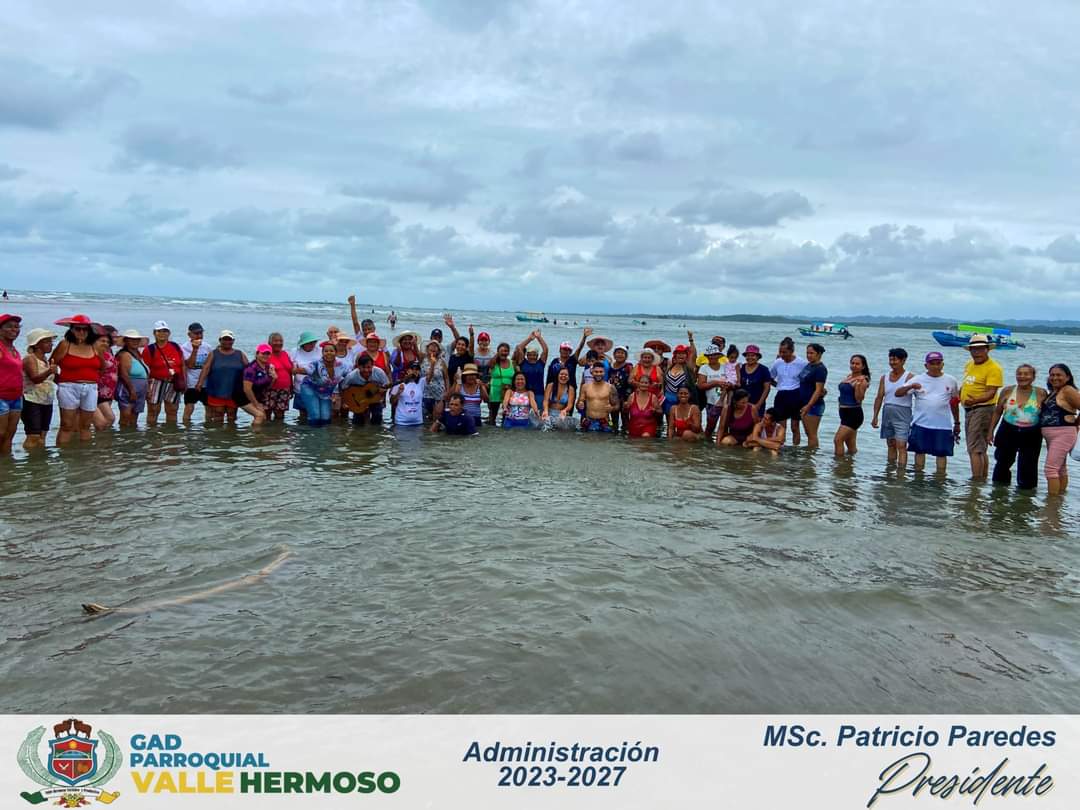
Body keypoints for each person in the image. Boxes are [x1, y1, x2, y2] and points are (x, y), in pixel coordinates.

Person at [896, 351, 960, 473]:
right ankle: (918, 479)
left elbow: (955, 403)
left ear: (942, 364)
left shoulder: (951, 380)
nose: (935, 366)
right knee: (919, 452)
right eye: (932, 363)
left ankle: (940, 479)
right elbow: (898, 393)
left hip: (943, 425)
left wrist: (957, 423)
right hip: (921, 423)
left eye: (938, 363)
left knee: (941, 454)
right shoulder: (918, 379)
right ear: (926, 365)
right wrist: (910, 386)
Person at [987, 364, 1045, 490]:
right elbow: (997, 412)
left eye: (1026, 374)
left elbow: (1046, 415)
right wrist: (990, 431)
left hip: (1032, 433)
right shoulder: (1007, 391)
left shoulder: (1041, 393)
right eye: (1019, 373)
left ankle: (1025, 497)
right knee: (1002, 463)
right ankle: (999, 493)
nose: (1022, 376)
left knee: (1028, 467)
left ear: (1033, 377)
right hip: (1008, 430)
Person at [51, 314, 103, 444]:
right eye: (78, 329)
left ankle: (83, 453)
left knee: (86, 425)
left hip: (91, 387)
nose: (81, 332)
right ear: (71, 330)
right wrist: (60, 380)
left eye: (85, 329)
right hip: (68, 387)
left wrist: (93, 378)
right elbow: (51, 364)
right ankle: (63, 453)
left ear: (89, 331)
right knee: (66, 425)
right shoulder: (65, 344)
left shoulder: (95, 346)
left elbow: (103, 366)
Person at [959, 334, 1004, 479]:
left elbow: (991, 393)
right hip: (970, 409)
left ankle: (976, 482)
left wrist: (974, 401)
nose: (976, 352)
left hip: (982, 409)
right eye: (974, 349)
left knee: (974, 448)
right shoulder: (969, 364)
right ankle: (981, 479)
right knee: (979, 447)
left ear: (987, 349)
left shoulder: (993, 368)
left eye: (980, 349)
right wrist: (959, 395)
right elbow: (967, 384)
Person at [1039, 363, 1080, 496]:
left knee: (1050, 469)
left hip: (1063, 433)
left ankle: (1052, 502)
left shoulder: (1068, 390)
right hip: (1052, 435)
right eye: (1052, 375)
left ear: (1067, 377)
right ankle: (1060, 497)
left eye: (1059, 375)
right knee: (1060, 468)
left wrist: (1076, 422)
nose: (1055, 378)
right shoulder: (1054, 392)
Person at [195, 330, 250, 424]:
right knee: (218, 416)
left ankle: (231, 433)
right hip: (216, 391)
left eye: (229, 339)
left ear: (233, 341)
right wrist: (199, 383)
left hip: (234, 392)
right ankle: (218, 433)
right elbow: (206, 368)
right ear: (220, 340)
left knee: (232, 417)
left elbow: (249, 369)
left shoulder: (240, 354)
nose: (227, 342)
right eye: (224, 339)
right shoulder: (213, 354)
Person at [871, 348, 915, 468]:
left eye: (895, 360)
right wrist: (875, 416)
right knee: (890, 443)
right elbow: (879, 397)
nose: (892, 363)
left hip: (903, 412)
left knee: (901, 445)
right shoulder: (884, 377)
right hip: (887, 411)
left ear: (903, 360)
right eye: (890, 360)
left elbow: (918, 396)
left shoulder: (909, 377)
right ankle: (889, 471)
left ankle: (901, 472)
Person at [20, 327, 57, 449]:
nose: (50, 344)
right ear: (36, 344)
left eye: (50, 341)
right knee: (33, 435)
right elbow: (35, 379)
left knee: (42, 435)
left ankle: (40, 458)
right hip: (31, 400)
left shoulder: (45, 360)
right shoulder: (30, 358)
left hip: (46, 400)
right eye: (46, 341)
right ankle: (29, 457)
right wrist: (49, 371)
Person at [142, 320, 184, 426]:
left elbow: (182, 364)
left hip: (174, 382)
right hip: (156, 381)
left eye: (165, 331)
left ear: (169, 333)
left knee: (173, 410)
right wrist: (147, 388)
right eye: (159, 331)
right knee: (153, 410)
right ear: (154, 333)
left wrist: (184, 381)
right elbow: (145, 370)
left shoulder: (175, 346)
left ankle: (171, 432)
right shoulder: (150, 349)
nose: (162, 333)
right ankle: (152, 431)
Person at [769, 337, 807, 445]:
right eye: (780, 352)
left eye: (784, 352)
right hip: (781, 395)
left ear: (791, 351)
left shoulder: (801, 363)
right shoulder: (778, 362)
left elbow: (808, 380)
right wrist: (778, 386)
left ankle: (795, 449)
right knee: (781, 426)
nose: (782, 354)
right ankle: (781, 447)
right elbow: (770, 377)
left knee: (795, 427)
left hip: (796, 395)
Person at [298, 341, 346, 426]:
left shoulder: (341, 366)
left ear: (336, 353)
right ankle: (312, 433)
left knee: (325, 418)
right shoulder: (316, 363)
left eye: (331, 351)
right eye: (326, 351)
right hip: (309, 388)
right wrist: (300, 370)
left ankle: (323, 434)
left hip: (325, 393)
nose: (328, 353)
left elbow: (349, 376)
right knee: (315, 416)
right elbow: (308, 369)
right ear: (322, 353)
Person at [833, 354, 871, 457]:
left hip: (853, 414)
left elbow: (859, 399)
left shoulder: (862, 380)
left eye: (857, 364)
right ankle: (849, 464)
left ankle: (839, 463)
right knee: (850, 444)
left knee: (838, 440)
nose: (854, 365)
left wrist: (858, 387)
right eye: (852, 363)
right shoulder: (850, 376)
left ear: (863, 366)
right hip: (844, 413)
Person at [340, 353, 389, 425]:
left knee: (377, 415)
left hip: (374, 397)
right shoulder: (351, 376)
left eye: (369, 367)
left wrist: (382, 393)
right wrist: (346, 402)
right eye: (363, 367)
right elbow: (343, 388)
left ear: (372, 365)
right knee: (358, 420)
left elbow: (386, 384)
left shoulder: (379, 372)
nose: (366, 370)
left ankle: (376, 431)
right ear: (358, 367)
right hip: (358, 400)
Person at [116, 329, 149, 427]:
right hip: (128, 388)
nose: (135, 342)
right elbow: (124, 374)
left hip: (140, 389)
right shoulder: (125, 354)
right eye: (132, 340)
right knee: (126, 416)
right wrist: (131, 390)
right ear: (126, 341)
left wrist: (147, 389)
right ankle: (123, 434)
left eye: (137, 340)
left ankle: (132, 434)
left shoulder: (138, 355)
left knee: (134, 417)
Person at [0, 313, 23, 453]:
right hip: (1, 397)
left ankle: (7, 463)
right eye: (9, 326)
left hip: (16, 397)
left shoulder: (13, 349)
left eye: (17, 327)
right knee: (1, 433)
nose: (14, 329)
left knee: (10, 434)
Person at [797, 343, 828, 449]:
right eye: (807, 353)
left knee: (812, 434)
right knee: (808, 433)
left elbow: (818, 390)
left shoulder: (820, 369)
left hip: (813, 405)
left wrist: (808, 406)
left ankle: (812, 455)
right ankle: (810, 455)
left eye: (811, 353)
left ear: (819, 354)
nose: (809, 355)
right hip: (804, 403)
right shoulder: (809, 365)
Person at [180, 322, 211, 423]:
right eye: (196, 333)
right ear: (189, 334)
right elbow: (190, 365)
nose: (199, 335)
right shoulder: (184, 348)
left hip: (206, 383)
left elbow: (209, 365)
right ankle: (186, 427)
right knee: (189, 407)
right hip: (191, 382)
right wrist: (195, 350)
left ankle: (208, 427)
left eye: (201, 333)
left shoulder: (207, 347)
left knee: (209, 408)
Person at [662, 338, 698, 415]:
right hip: (668, 399)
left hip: (683, 399)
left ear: (687, 356)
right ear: (675, 355)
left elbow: (694, 354)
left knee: (682, 419)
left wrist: (691, 340)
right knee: (669, 419)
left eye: (683, 353)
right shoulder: (670, 366)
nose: (680, 355)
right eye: (678, 353)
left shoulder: (689, 367)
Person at [577, 362, 617, 432]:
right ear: (592, 372)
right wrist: (580, 404)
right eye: (596, 372)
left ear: (604, 372)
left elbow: (617, 405)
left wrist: (612, 408)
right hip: (589, 421)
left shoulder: (610, 387)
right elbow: (579, 403)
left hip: (604, 421)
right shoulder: (585, 387)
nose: (598, 374)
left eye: (601, 372)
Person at [292, 331, 322, 421]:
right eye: (309, 342)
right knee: (303, 414)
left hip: (317, 388)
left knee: (316, 413)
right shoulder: (295, 352)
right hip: (300, 388)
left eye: (314, 342)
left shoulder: (319, 351)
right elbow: (293, 370)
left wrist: (302, 370)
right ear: (303, 343)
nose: (312, 344)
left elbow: (322, 369)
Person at [92, 327, 119, 430]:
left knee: (104, 420)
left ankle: (102, 437)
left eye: (107, 341)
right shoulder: (96, 352)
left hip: (109, 391)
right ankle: (101, 438)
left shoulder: (109, 351)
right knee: (109, 418)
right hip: (99, 390)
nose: (106, 343)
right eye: (103, 341)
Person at [240, 345, 274, 424]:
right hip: (242, 396)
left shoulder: (268, 367)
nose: (265, 356)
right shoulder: (251, 368)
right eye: (263, 353)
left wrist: (274, 378)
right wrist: (256, 404)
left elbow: (267, 386)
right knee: (260, 415)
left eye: (268, 354)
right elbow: (247, 389)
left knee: (264, 417)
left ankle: (257, 431)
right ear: (257, 354)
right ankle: (254, 432)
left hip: (256, 396)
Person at [514, 330, 549, 404]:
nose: (532, 357)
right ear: (527, 355)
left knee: (538, 411)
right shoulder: (523, 362)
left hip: (539, 394)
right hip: (525, 393)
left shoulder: (541, 363)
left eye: (534, 355)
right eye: (530, 355)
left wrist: (539, 337)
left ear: (537, 355)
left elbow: (545, 349)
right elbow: (519, 348)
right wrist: (530, 338)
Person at [486, 342, 515, 426]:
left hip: (508, 390)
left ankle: (504, 430)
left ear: (508, 352)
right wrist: (498, 355)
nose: (504, 353)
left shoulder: (512, 363)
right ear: (497, 352)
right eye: (501, 351)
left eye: (506, 351)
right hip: (495, 391)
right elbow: (489, 365)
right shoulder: (494, 362)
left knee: (506, 414)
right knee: (493, 415)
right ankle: (492, 430)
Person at [420, 339, 449, 422]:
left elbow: (446, 378)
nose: (433, 347)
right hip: (425, 394)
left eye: (436, 346)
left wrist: (447, 391)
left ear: (438, 350)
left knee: (437, 418)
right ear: (427, 349)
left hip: (439, 394)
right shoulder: (422, 359)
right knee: (424, 419)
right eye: (431, 345)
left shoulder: (442, 362)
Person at [390, 361, 426, 427]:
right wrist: (398, 392)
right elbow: (391, 402)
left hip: (418, 422)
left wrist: (433, 363)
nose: (414, 371)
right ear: (407, 370)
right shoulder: (399, 384)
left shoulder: (421, 382)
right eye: (412, 369)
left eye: (417, 369)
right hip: (401, 423)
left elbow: (431, 375)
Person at [739, 344, 771, 416]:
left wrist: (758, 405)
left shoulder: (764, 370)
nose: (750, 357)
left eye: (753, 355)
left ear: (758, 357)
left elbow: (767, 389)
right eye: (748, 355)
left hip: (757, 404)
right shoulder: (741, 368)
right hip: (741, 405)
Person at [608, 345, 633, 433]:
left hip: (625, 396)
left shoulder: (628, 367)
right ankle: (613, 433)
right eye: (618, 353)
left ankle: (625, 435)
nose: (620, 355)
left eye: (622, 353)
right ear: (614, 355)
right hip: (613, 396)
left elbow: (631, 383)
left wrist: (627, 399)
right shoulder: (611, 366)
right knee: (613, 418)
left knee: (625, 418)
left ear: (626, 356)